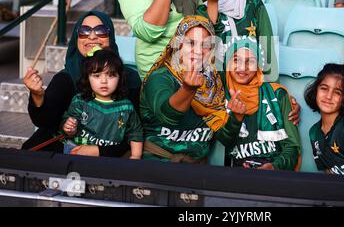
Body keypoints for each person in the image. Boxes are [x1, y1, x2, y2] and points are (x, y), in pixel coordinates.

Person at [22, 11, 141, 156]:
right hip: (68, 145)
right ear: (76, 38)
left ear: (110, 37)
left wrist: (98, 151)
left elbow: (137, 131)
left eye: (101, 31)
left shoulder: (130, 79)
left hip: (113, 150)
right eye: (84, 31)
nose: (92, 36)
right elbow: (46, 122)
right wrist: (37, 95)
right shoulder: (66, 78)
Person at [140, 16, 244, 163]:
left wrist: (236, 118)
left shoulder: (214, 83)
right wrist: (187, 89)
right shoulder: (160, 77)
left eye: (206, 45)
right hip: (157, 166)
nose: (199, 51)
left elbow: (227, 140)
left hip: (198, 171)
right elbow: (168, 116)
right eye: (191, 43)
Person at [225, 36, 301, 170]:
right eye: (236, 60)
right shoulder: (220, 97)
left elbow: (292, 148)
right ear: (227, 63)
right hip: (237, 175)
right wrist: (235, 118)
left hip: (273, 176)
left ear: (259, 66)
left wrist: (274, 166)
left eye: (251, 61)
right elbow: (224, 140)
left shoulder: (277, 95)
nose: (243, 67)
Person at [62, 48, 143, 159]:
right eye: (97, 76)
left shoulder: (126, 107)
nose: (104, 81)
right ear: (87, 78)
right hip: (77, 152)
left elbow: (135, 133)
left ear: (120, 78)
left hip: (109, 157)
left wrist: (135, 155)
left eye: (111, 75)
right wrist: (69, 128)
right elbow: (67, 129)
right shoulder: (80, 101)